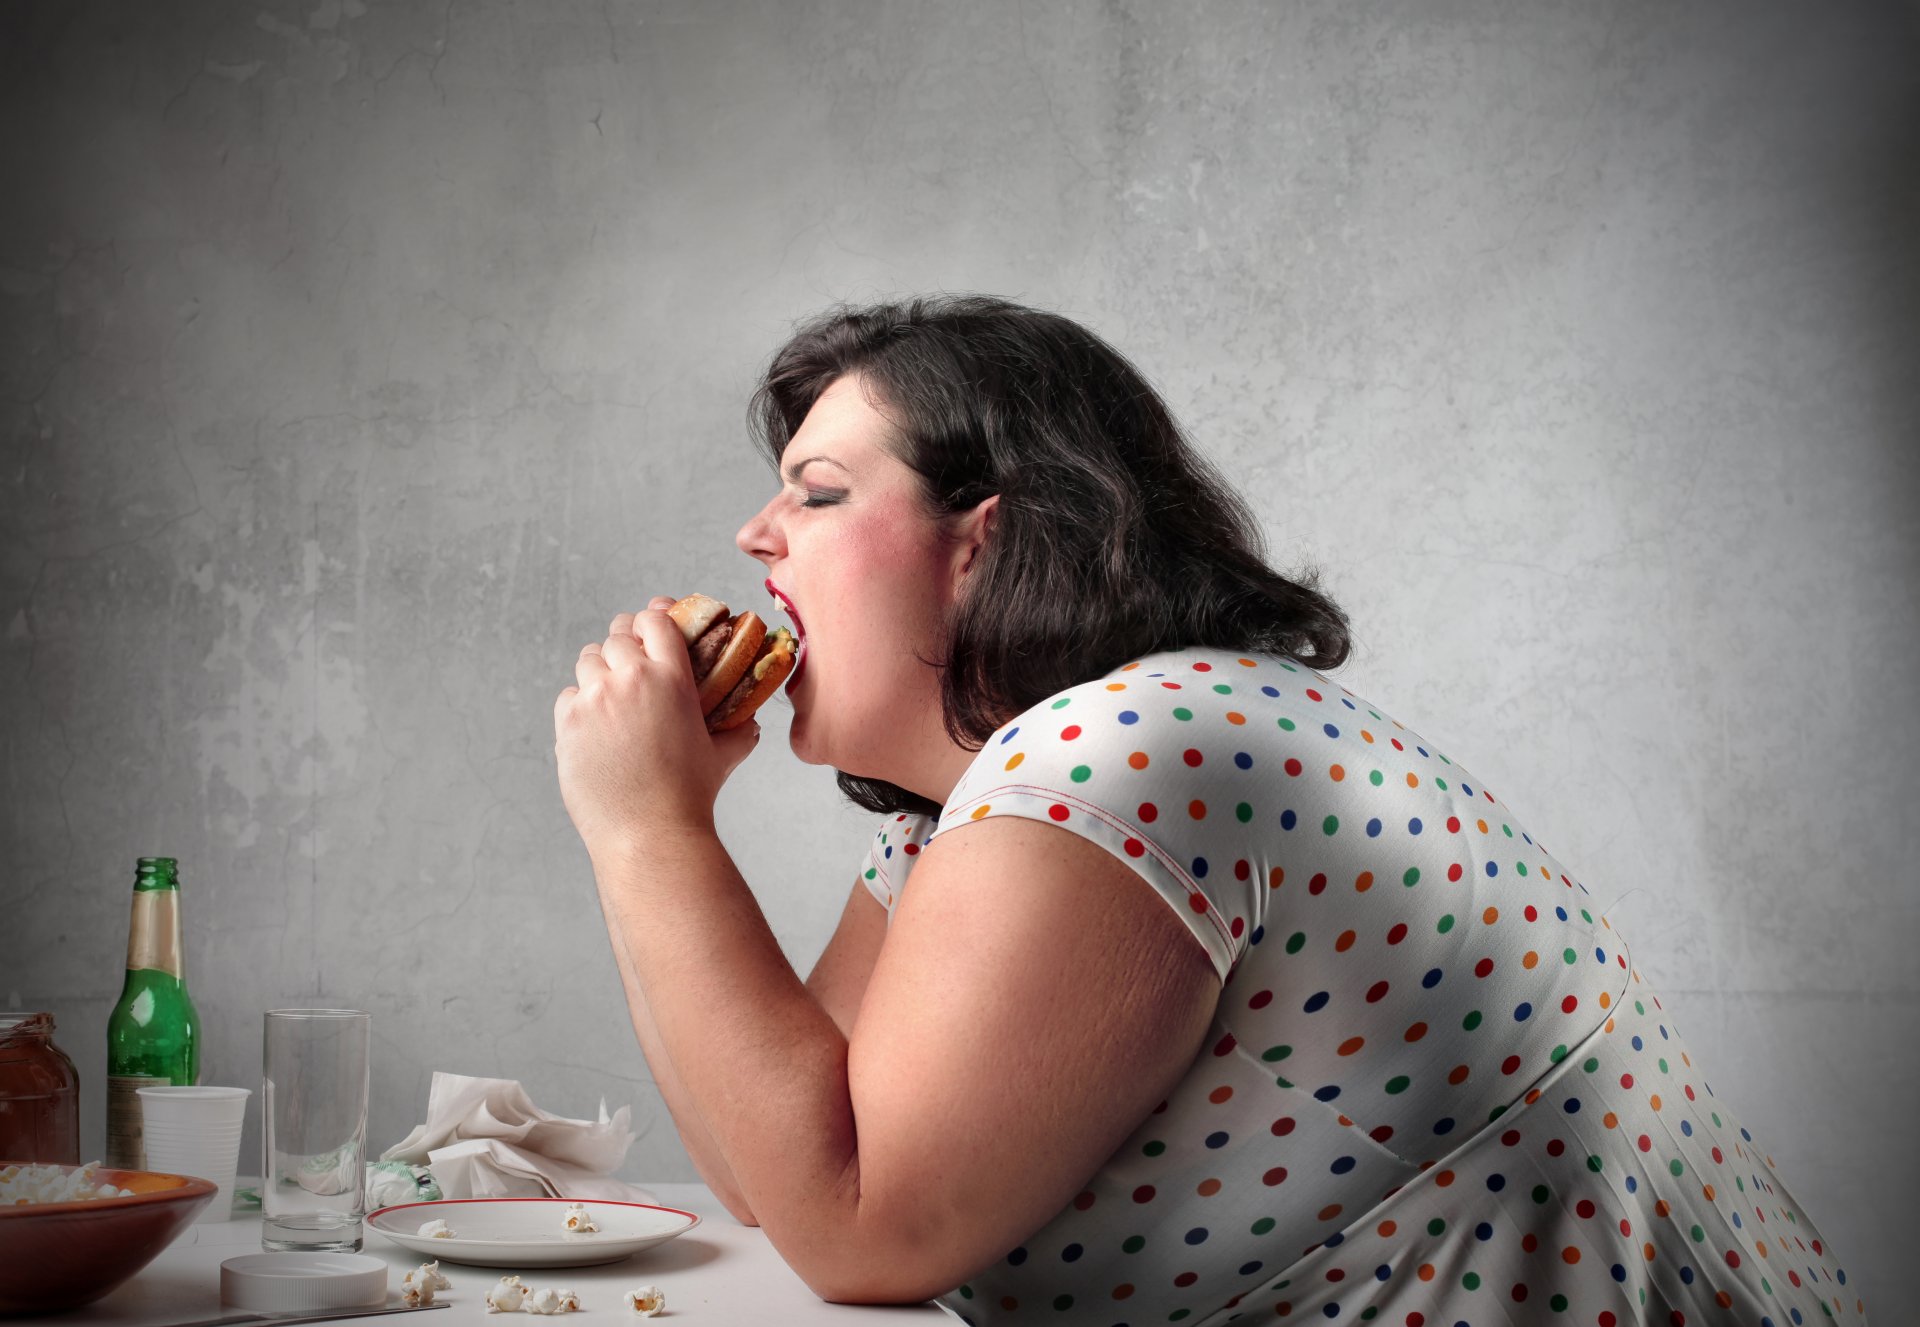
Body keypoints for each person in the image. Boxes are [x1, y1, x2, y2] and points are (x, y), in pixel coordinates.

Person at [553, 296, 1864, 1325]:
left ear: (984, 541)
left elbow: (856, 1228)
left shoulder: (1121, 757)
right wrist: (640, 833)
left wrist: (652, 833)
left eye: (820, 491)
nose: (756, 534)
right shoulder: (970, 812)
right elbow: (766, 1175)